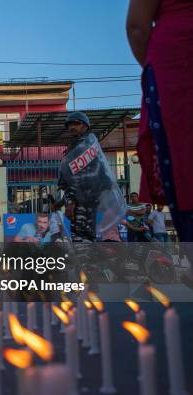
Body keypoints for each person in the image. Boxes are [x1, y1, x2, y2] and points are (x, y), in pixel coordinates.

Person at [126, 1, 193, 285]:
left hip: (174, 67)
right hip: (176, 66)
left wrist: (159, 65)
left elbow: (137, 26)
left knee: (183, 164)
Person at [56, 112, 119, 242]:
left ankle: (87, 261)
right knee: (85, 235)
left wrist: (71, 201)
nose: (72, 127)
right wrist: (63, 201)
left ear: (85, 126)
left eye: (76, 123)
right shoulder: (79, 145)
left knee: (81, 237)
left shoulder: (85, 145)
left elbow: (82, 177)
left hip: (83, 200)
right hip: (84, 199)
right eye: (69, 125)